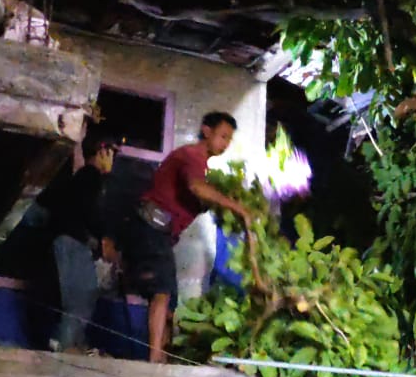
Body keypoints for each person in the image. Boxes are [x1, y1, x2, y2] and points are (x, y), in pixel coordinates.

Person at [119, 111, 253, 363]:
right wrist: (238, 208)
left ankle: (162, 355)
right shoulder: (192, 155)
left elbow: (198, 198)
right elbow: (196, 187)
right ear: (206, 131)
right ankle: (155, 358)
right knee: (161, 292)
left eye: (229, 140)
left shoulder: (201, 167)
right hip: (150, 227)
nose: (225, 144)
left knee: (169, 299)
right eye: (222, 136)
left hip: (158, 233)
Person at [30, 125, 116, 352]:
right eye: (112, 152)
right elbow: (90, 210)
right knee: (79, 299)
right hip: (71, 242)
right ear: (102, 152)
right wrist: (105, 236)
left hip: (70, 242)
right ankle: (62, 348)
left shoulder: (85, 177)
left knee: (82, 299)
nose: (114, 159)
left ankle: (69, 344)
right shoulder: (90, 175)